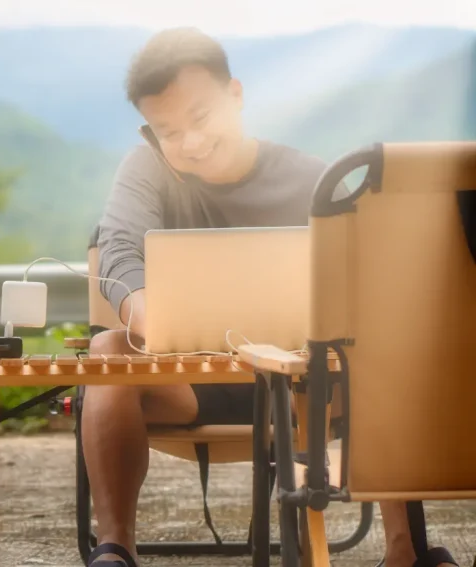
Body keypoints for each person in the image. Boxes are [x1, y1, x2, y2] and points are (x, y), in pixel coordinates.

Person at [84, 26, 458, 567]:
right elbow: (118, 253)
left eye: (201, 118)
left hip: (308, 384)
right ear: (149, 130)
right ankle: (114, 548)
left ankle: (407, 549)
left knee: (380, 346)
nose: (189, 142)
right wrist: (148, 316)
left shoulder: (313, 179)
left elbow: (370, 280)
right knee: (108, 352)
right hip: (192, 379)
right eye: (168, 131)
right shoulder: (146, 169)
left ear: (235, 95)